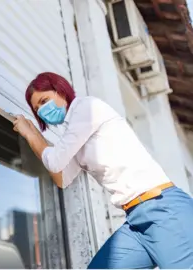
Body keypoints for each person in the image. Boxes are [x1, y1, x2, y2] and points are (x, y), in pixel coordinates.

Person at [13, 72, 193, 269]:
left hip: (163, 208)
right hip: (135, 220)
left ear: (60, 90)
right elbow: (61, 178)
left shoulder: (86, 108)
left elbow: (54, 161)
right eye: (37, 109)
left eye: (44, 100)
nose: (42, 111)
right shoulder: (75, 136)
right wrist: (35, 138)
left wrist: (31, 134)